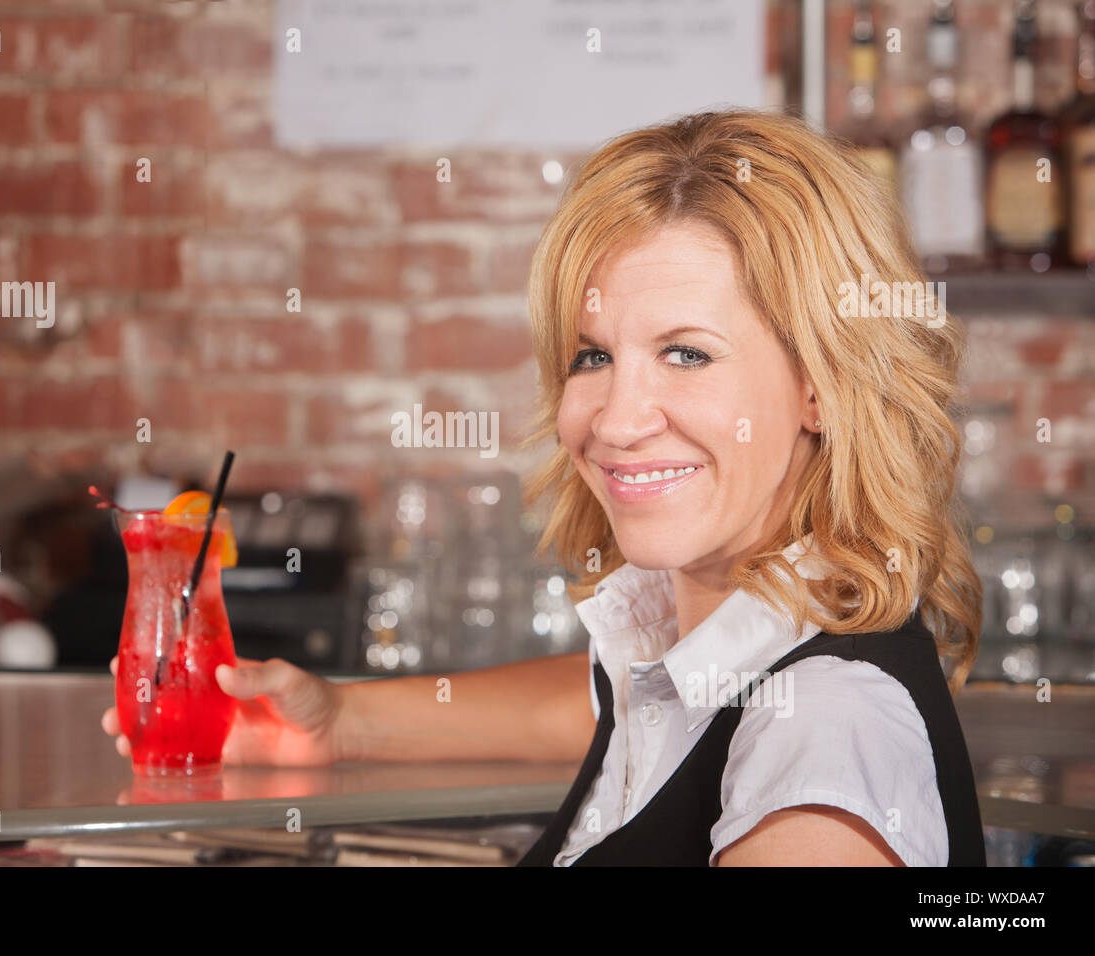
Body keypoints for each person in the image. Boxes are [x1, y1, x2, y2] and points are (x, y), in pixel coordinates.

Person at [103, 108, 986, 866]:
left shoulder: (826, 735)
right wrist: (338, 724)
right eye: (593, 356)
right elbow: (607, 698)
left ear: (822, 387)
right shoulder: (713, 656)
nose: (615, 418)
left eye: (687, 354)